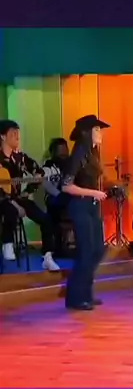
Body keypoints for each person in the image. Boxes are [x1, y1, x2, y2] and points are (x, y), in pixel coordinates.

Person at [61, 114, 110, 311]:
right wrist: (93, 193)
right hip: (79, 205)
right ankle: (76, 297)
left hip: (92, 206)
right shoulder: (79, 152)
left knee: (97, 250)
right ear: (86, 132)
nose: (100, 133)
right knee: (86, 251)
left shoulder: (93, 152)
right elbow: (66, 186)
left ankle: (86, 294)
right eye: (97, 129)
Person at [0, 119, 60, 271]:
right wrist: (13, 203)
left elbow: (38, 173)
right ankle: (7, 244)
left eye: (18, 133)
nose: (17, 136)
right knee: (10, 209)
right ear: (2, 136)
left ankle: (47, 256)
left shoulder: (20, 157)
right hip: (2, 200)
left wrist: (28, 191)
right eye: (13, 133)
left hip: (18, 198)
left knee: (46, 219)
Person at [42, 137, 71, 255]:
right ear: (53, 153)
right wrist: (59, 194)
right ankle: (56, 245)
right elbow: (45, 184)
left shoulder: (72, 165)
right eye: (60, 154)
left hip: (70, 195)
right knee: (55, 206)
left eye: (65, 152)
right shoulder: (47, 168)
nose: (64, 156)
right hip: (54, 197)